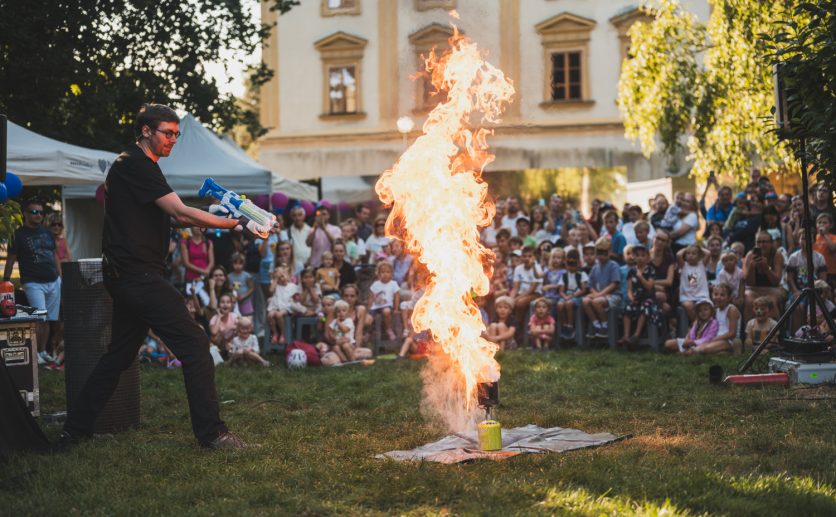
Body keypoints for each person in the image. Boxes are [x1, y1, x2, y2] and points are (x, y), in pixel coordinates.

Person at [58, 104, 270, 450]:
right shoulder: (135, 164)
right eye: (167, 133)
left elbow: (173, 217)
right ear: (146, 131)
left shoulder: (139, 166)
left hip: (129, 275)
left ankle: (74, 431)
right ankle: (213, 434)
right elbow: (180, 212)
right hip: (136, 276)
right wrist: (237, 223)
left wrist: (215, 212)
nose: (173, 139)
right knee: (196, 345)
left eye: (176, 134)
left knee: (119, 356)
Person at [4, 199, 63, 364]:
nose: (38, 215)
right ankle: (34, 353)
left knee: (49, 319)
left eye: (41, 212)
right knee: (39, 318)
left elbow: (54, 255)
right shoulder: (18, 235)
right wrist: (5, 281)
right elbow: (10, 259)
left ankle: (42, 351)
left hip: (53, 281)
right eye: (34, 212)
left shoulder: (46, 232)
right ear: (25, 213)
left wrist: (60, 278)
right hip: (33, 282)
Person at [582, 238, 622, 339]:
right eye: (599, 253)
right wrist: (595, 293)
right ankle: (596, 325)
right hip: (599, 295)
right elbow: (590, 285)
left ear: (609, 252)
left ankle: (605, 326)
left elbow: (614, 284)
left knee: (596, 302)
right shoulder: (595, 268)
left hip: (614, 295)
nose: (601, 256)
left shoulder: (613, 265)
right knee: (585, 301)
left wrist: (600, 294)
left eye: (604, 253)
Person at [742, 231, 785, 322]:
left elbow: (776, 281)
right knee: (749, 301)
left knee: (770, 301)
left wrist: (766, 269)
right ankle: (749, 329)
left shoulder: (777, 255)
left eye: (765, 242)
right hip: (753, 289)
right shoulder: (750, 255)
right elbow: (748, 282)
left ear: (771, 243)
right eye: (759, 242)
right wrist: (752, 268)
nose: (761, 245)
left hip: (772, 289)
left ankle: (774, 329)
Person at [620, 245, 657, 349]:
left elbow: (649, 286)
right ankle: (626, 336)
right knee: (628, 307)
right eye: (637, 255)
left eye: (642, 255)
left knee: (645, 306)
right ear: (634, 257)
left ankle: (636, 335)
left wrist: (640, 276)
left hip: (648, 298)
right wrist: (631, 298)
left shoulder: (651, 270)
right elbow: (629, 289)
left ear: (647, 257)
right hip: (636, 298)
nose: (640, 258)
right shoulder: (631, 271)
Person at [698, 283, 742, 354]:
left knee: (705, 349)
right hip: (717, 338)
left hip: (729, 340)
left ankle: (730, 350)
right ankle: (721, 352)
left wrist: (713, 339)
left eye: (722, 295)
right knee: (699, 347)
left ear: (729, 298)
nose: (718, 297)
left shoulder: (731, 309)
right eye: (716, 294)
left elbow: (732, 333)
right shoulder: (716, 310)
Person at [510, 246, 543, 337]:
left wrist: (517, 298)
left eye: (530, 256)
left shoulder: (537, 268)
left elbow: (532, 289)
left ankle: (517, 327)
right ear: (521, 257)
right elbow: (515, 287)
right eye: (524, 256)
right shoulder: (518, 268)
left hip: (535, 293)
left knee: (519, 303)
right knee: (506, 302)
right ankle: (508, 326)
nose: (527, 258)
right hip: (521, 293)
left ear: (534, 257)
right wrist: (511, 299)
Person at [556, 249, 588, 339]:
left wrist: (572, 296)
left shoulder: (582, 274)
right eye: (569, 264)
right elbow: (561, 291)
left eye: (573, 264)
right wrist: (565, 296)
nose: (571, 267)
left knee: (569, 304)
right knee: (560, 305)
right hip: (566, 296)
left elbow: (584, 290)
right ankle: (564, 326)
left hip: (577, 297)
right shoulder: (564, 275)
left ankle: (570, 327)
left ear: (578, 263)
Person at [677, 245, 711, 323]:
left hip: (701, 295)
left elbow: (708, 253)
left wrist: (697, 247)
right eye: (688, 253)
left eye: (694, 253)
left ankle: (703, 324)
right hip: (687, 296)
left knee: (704, 307)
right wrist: (687, 247)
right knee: (689, 306)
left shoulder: (702, 264)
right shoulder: (683, 265)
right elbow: (678, 255)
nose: (690, 256)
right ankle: (697, 324)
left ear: (699, 256)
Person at [368, 260, 400, 341]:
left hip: (387, 306)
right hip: (375, 306)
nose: (385, 274)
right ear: (378, 273)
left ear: (391, 273)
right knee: (367, 320)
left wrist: (396, 309)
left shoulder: (393, 284)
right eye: (382, 272)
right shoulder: (375, 284)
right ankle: (369, 332)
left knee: (386, 311)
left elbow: (396, 296)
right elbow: (371, 297)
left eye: (388, 272)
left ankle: (389, 329)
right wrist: (369, 308)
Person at [267, 266, 299, 345]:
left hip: (286, 307)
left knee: (278, 315)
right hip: (275, 306)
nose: (282, 279)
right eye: (279, 277)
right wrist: (275, 279)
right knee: (270, 315)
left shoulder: (292, 286)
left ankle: (282, 334)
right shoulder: (276, 286)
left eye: (283, 276)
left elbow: (297, 298)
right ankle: (275, 333)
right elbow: (270, 290)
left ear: (288, 276)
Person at [227, 252, 255, 318]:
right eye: (235, 263)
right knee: (235, 318)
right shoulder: (229, 276)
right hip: (233, 302)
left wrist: (243, 296)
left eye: (240, 263)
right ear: (232, 264)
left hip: (245, 301)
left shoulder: (247, 276)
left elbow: (251, 288)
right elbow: (228, 287)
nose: (238, 266)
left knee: (247, 318)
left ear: (243, 264)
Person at [288, 205, 311, 274]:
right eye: (294, 215)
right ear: (292, 217)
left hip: (309, 264)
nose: (297, 218)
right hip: (295, 266)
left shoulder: (310, 230)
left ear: (304, 216)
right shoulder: (288, 231)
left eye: (300, 215)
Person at [814, 213, 836, 284]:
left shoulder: (834, 237)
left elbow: (833, 248)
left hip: (831, 272)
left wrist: (825, 235)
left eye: (824, 222)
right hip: (817, 272)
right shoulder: (814, 238)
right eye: (819, 222)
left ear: (831, 225)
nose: (821, 224)